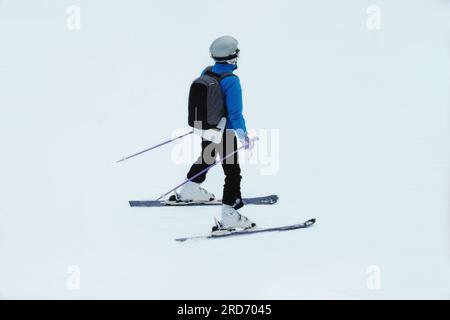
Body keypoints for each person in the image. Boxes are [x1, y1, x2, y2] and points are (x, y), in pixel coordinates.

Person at [178, 35, 256, 232]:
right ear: (232, 57)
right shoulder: (231, 81)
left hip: (207, 127)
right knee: (232, 172)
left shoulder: (207, 71)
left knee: (208, 157)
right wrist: (244, 136)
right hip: (225, 132)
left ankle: (190, 189)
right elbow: (235, 114)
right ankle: (230, 215)